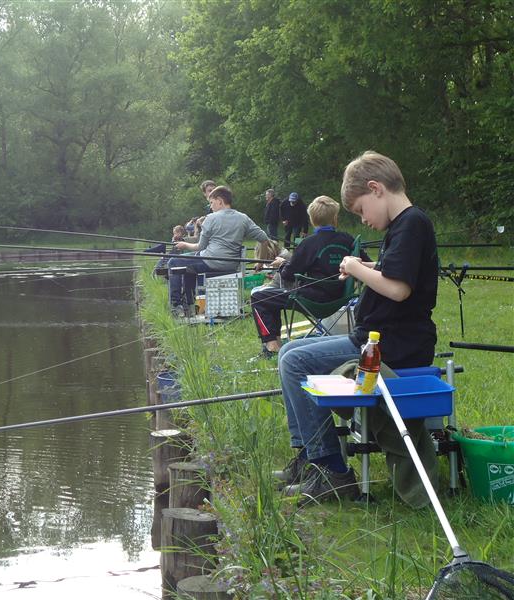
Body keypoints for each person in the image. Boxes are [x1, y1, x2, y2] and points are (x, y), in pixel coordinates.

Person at [272, 151, 438, 504]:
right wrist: (364, 265)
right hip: (376, 338)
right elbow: (396, 270)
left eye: (361, 210)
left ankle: (331, 469)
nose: (363, 219)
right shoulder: (405, 225)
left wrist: (357, 268)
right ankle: (310, 457)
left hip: (392, 345)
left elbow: (399, 288)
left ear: (376, 189)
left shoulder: (411, 224)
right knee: (288, 351)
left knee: (293, 361)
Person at [250, 196, 367, 355]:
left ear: (312, 220)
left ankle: (272, 347)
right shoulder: (348, 239)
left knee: (259, 297)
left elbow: (288, 275)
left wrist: (282, 264)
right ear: (335, 218)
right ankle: (275, 345)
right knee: (269, 296)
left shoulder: (309, 243)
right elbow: (367, 264)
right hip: (341, 297)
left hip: (312, 299)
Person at [168, 186, 269, 317]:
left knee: (173, 262)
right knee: (188, 265)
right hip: (231, 265)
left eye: (212, 202)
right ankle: (190, 304)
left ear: (220, 201)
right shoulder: (243, 218)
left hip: (210, 261)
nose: (211, 207)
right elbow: (264, 240)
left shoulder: (211, 218)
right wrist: (260, 263)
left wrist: (184, 244)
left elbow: (200, 246)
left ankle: (177, 306)